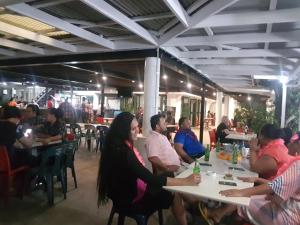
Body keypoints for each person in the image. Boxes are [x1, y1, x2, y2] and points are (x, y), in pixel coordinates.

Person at [97, 112, 200, 225]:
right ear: (123, 131)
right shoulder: (125, 153)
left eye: (137, 127)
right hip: (132, 202)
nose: (137, 131)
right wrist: (185, 181)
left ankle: (191, 206)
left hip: (122, 195)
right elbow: (150, 178)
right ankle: (189, 214)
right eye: (133, 129)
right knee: (173, 192)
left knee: (170, 178)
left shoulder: (114, 147)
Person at [198, 156, 300, 225]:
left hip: (288, 216)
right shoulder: (281, 152)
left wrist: (242, 192)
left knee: (243, 199)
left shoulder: (273, 155)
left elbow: (256, 168)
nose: (289, 143)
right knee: (245, 195)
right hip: (288, 208)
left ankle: (218, 213)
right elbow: (277, 185)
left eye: (292, 141)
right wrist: (256, 179)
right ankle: (220, 213)